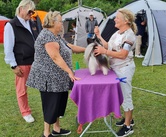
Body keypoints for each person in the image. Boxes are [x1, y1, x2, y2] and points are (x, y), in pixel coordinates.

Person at [26, 11, 85, 137]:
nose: (62, 24)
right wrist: (70, 72)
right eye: (60, 21)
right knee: (51, 105)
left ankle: (56, 129)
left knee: (58, 104)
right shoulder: (47, 36)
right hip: (49, 78)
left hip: (59, 77)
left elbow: (69, 46)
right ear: (53, 22)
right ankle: (46, 134)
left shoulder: (56, 35)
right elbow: (55, 57)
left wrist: (88, 49)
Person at [94, 8, 136, 137]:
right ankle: (128, 118)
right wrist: (99, 36)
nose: (114, 19)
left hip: (124, 70)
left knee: (125, 96)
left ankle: (128, 126)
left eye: (117, 17)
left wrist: (104, 52)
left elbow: (123, 55)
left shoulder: (129, 35)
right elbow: (108, 46)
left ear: (126, 21)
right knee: (120, 94)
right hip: (116, 69)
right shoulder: (117, 33)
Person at [3, 0, 38, 123]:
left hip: (35, 61)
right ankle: (25, 112)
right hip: (22, 62)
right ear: (21, 9)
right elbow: (8, 47)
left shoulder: (32, 22)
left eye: (33, 12)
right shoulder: (10, 25)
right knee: (22, 90)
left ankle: (50, 107)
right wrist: (13, 65)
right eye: (30, 11)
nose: (31, 14)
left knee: (45, 84)